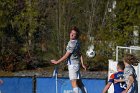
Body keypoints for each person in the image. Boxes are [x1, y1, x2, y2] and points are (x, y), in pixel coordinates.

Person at [51, 26, 87, 93]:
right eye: (71, 33)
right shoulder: (77, 42)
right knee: (79, 83)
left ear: (76, 36)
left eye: (74, 34)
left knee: (74, 83)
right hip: (77, 65)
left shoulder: (72, 43)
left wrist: (57, 62)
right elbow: (80, 54)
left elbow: (66, 55)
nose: (72, 34)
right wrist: (82, 64)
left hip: (73, 65)